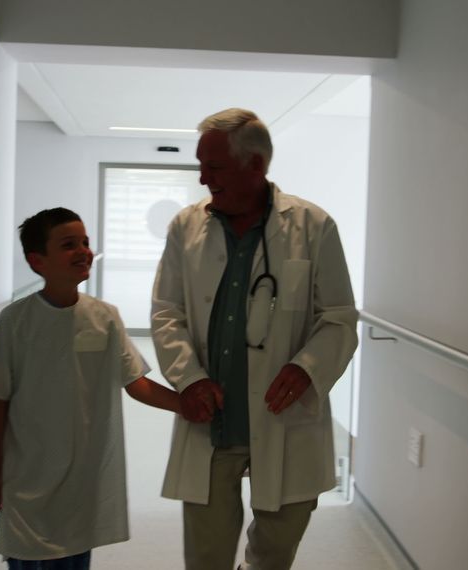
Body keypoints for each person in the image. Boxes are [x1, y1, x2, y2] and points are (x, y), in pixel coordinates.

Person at [151, 108, 358, 569]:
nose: (203, 177)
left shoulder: (313, 226)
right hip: (214, 419)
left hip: (283, 414)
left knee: (274, 554)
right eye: (201, 165)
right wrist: (189, 378)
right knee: (206, 557)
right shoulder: (186, 228)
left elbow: (340, 318)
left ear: (257, 165)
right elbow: (167, 313)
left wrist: (307, 368)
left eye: (215, 166)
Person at [0, 208, 180, 569]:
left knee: (74, 558)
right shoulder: (16, 321)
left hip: (83, 480)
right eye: (69, 245)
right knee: (27, 558)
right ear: (37, 261)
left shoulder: (105, 316)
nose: (83, 251)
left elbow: (136, 383)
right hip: (28, 478)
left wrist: (185, 404)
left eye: (85, 242)